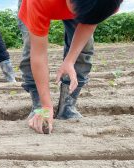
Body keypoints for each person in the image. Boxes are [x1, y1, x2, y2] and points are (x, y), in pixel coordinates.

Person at [18, 0, 123, 134]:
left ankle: (67, 105)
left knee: (85, 47)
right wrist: (46, 106)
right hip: (40, 4)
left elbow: (89, 22)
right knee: (30, 49)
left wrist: (70, 60)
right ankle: (38, 104)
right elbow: (38, 55)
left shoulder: (109, 3)